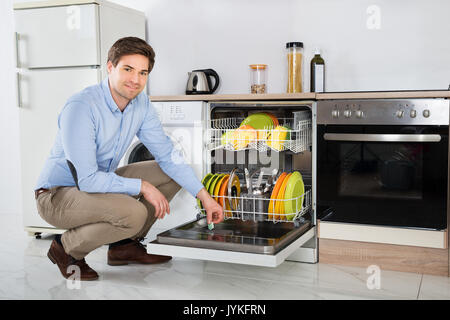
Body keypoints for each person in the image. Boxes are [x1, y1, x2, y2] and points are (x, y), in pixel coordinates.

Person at [34, 37, 224, 281]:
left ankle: (125, 246)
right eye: (128, 69)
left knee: (170, 172)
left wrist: (205, 198)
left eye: (143, 72)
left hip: (99, 184)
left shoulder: (140, 104)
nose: (136, 80)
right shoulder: (82, 106)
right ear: (110, 67)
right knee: (133, 213)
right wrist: (142, 187)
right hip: (57, 194)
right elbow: (88, 180)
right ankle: (67, 248)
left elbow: (168, 155)